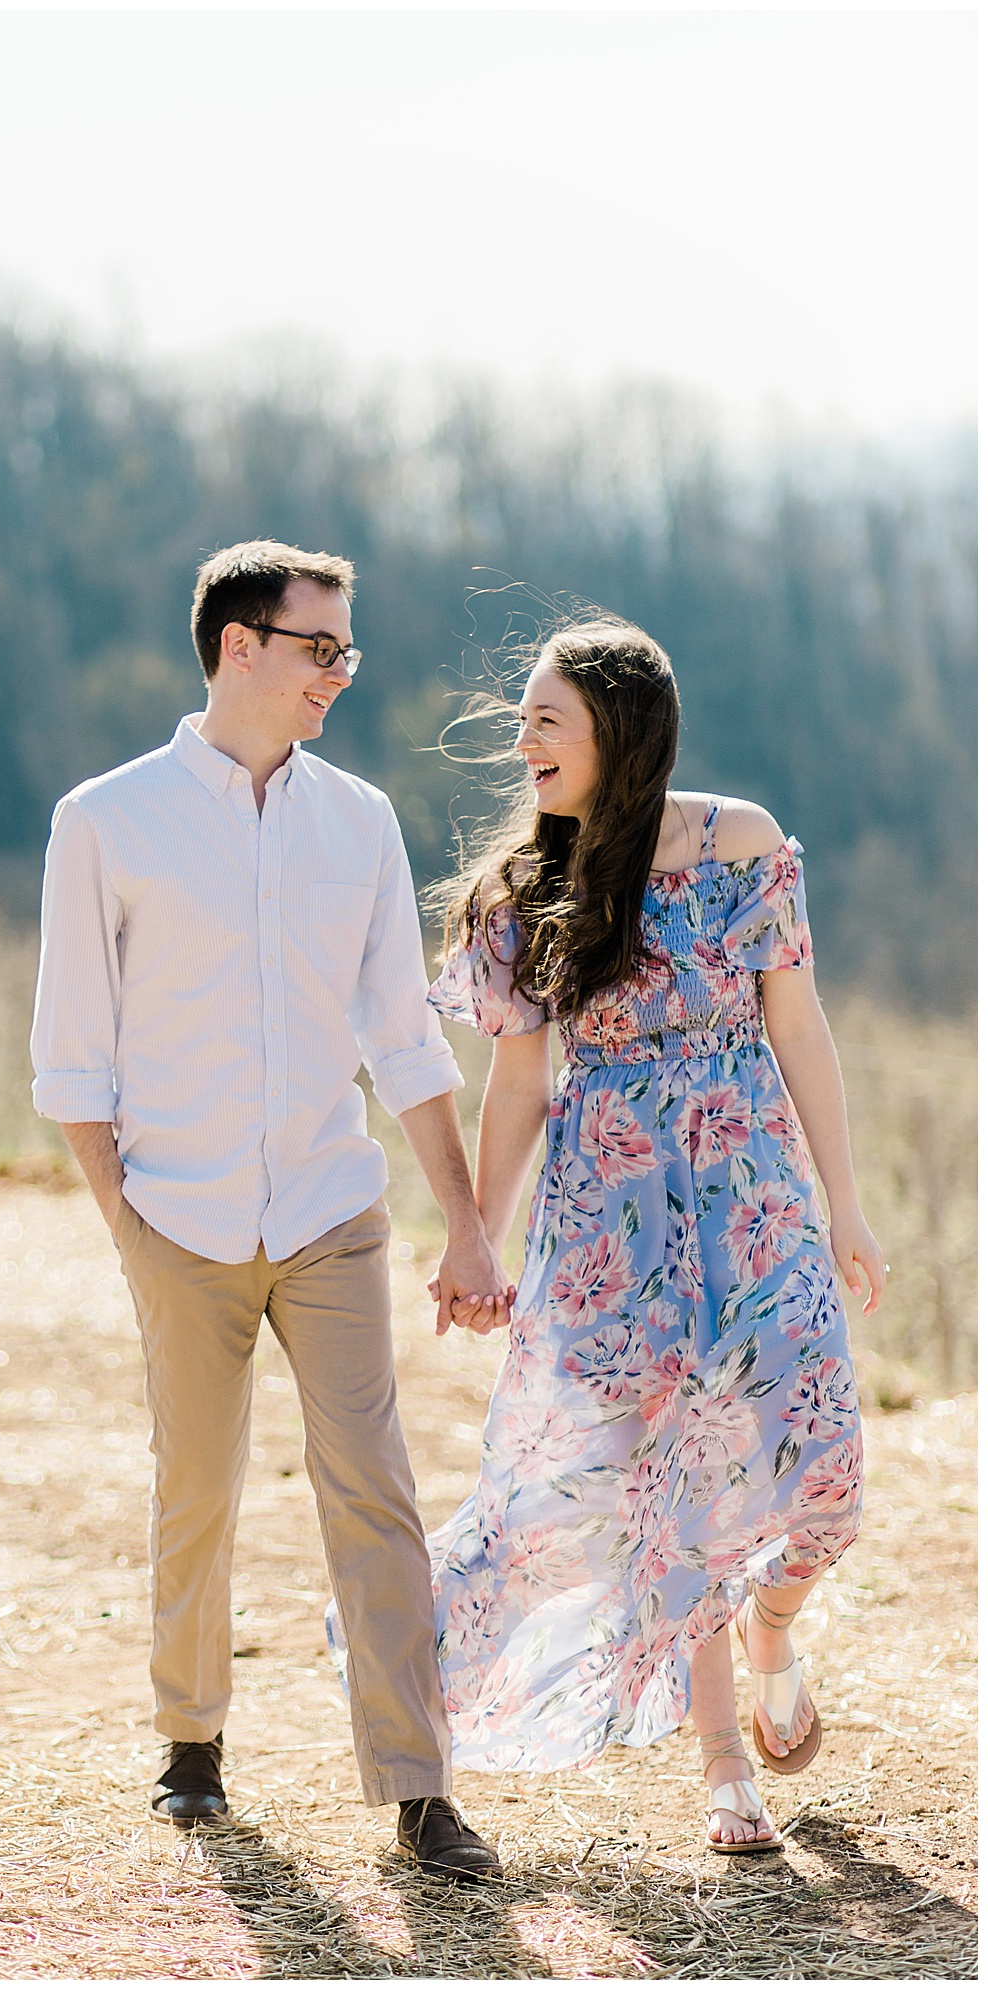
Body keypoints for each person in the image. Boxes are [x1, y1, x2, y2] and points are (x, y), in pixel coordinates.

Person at [30, 540, 510, 1880]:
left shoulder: (357, 820)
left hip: (329, 1205)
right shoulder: (106, 821)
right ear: (238, 645)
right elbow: (72, 1054)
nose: (341, 677)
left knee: (377, 1488)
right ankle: (190, 1748)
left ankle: (418, 1788)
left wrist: (467, 1224)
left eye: (347, 651)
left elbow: (405, 1042)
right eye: (321, 649)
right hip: (174, 1217)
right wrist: (126, 1228)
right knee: (196, 1483)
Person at [424, 616, 886, 1855]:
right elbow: (518, 1085)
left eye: (543, 719)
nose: (521, 741)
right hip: (612, 1219)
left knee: (828, 1472)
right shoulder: (528, 893)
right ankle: (726, 1764)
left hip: (756, 1190)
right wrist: (478, 1236)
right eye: (524, 718)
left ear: (619, 731)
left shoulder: (741, 845)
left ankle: (773, 1620)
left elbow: (802, 1030)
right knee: (674, 1486)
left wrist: (845, 1204)